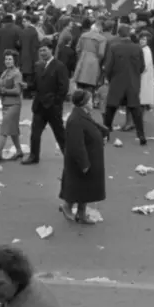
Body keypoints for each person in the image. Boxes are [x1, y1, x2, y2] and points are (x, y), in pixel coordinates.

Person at [59, 89, 106, 224]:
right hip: (82, 160)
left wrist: (103, 133)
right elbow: (76, 144)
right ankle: (67, 207)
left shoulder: (83, 114)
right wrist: (84, 163)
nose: (93, 102)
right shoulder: (76, 120)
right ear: (84, 103)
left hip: (90, 157)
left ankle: (81, 213)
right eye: (90, 100)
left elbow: (94, 126)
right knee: (77, 186)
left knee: (85, 188)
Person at [102, 30, 148, 145]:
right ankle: (141, 134)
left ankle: (106, 133)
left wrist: (110, 78)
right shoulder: (137, 48)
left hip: (117, 82)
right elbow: (142, 67)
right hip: (132, 82)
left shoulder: (114, 47)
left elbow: (108, 67)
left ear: (119, 35)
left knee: (111, 108)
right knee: (135, 109)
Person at [26, 45, 68, 164]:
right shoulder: (38, 65)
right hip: (39, 106)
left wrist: (56, 102)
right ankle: (34, 156)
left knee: (60, 134)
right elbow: (35, 84)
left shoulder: (59, 66)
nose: (42, 53)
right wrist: (26, 86)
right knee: (35, 133)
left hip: (53, 107)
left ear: (51, 50)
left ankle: (69, 157)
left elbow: (63, 88)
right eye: (40, 50)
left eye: (45, 50)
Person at [0, 50, 25, 161]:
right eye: (6, 59)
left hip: (14, 105)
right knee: (13, 130)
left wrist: (3, 91)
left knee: (4, 129)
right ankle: (19, 151)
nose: (7, 61)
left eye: (10, 59)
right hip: (5, 103)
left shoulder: (17, 73)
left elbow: (17, 91)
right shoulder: (5, 72)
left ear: (14, 60)